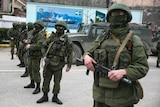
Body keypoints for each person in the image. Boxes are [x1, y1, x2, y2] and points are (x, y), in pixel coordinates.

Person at [83, 3, 149, 107]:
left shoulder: (133, 40)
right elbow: (89, 52)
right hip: (100, 96)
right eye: (113, 13)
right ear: (109, 17)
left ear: (126, 17)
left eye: (121, 13)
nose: (117, 15)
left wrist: (124, 72)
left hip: (122, 99)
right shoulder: (102, 36)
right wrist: (86, 57)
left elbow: (142, 67)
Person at [36, 21, 73, 104]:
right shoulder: (52, 37)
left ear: (64, 29)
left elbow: (70, 52)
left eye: (61, 27)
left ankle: (55, 97)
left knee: (57, 82)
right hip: (49, 63)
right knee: (46, 80)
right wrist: (44, 55)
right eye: (57, 27)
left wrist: (69, 65)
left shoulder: (67, 39)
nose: (59, 29)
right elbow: (44, 46)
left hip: (59, 64)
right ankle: (45, 96)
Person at [24, 20, 46, 94]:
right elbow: (31, 39)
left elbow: (40, 45)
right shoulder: (34, 33)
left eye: (37, 25)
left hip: (37, 55)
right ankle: (32, 83)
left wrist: (30, 46)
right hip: (31, 54)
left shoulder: (41, 35)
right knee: (30, 69)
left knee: (35, 70)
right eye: (35, 25)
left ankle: (38, 86)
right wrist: (27, 41)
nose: (35, 27)